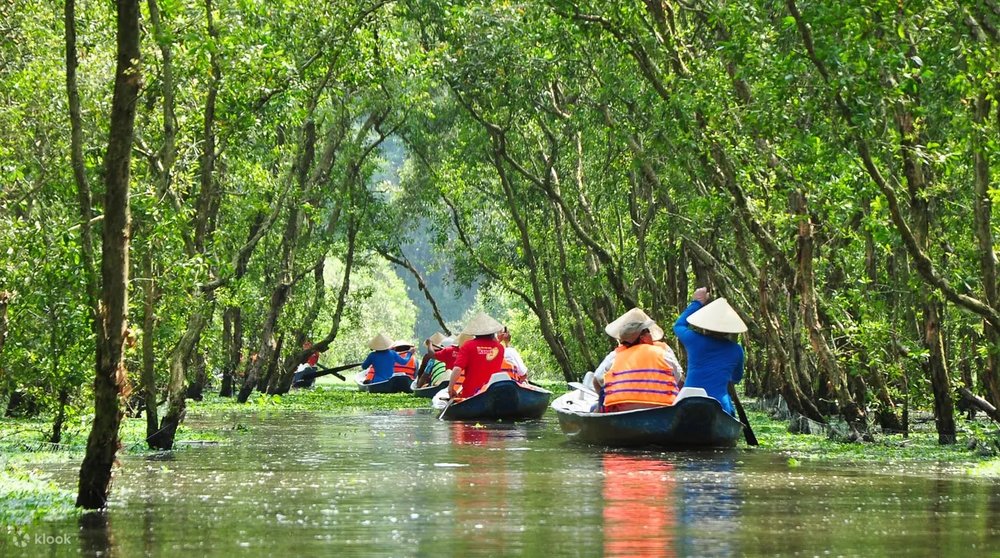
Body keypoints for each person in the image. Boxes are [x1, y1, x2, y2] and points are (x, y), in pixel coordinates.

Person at [673, 287, 746, 416]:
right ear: (729, 330)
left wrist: (697, 302)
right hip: (720, 405)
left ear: (704, 326)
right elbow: (736, 378)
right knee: (731, 411)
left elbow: (679, 325)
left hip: (686, 401)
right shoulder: (737, 350)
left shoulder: (693, 340)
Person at [595, 308, 683, 413]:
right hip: (663, 410)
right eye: (648, 332)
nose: (651, 335)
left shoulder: (615, 356)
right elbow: (680, 381)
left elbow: (596, 378)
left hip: (622, 413)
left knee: (599, 402)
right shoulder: (663, 352)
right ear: (643, 337)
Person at [447, 312, 506, 400]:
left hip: (471, 395)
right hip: (493, 394)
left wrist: (450, 387)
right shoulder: (500, 348)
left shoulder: (468, 346)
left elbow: (457, 369)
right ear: (492, 332)